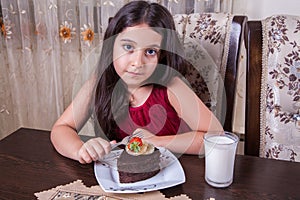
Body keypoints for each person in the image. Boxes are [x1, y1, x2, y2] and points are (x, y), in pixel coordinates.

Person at [51, 1, 223, 164]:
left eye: (150, 51)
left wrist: (155, 141)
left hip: (173, 175)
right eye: (128, 47)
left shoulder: (172, 86)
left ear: (161, 54)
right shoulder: (99, 81)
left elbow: (216, 137)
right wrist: (81, 150)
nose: (137, 63)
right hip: (125, 178)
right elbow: (61, 128)